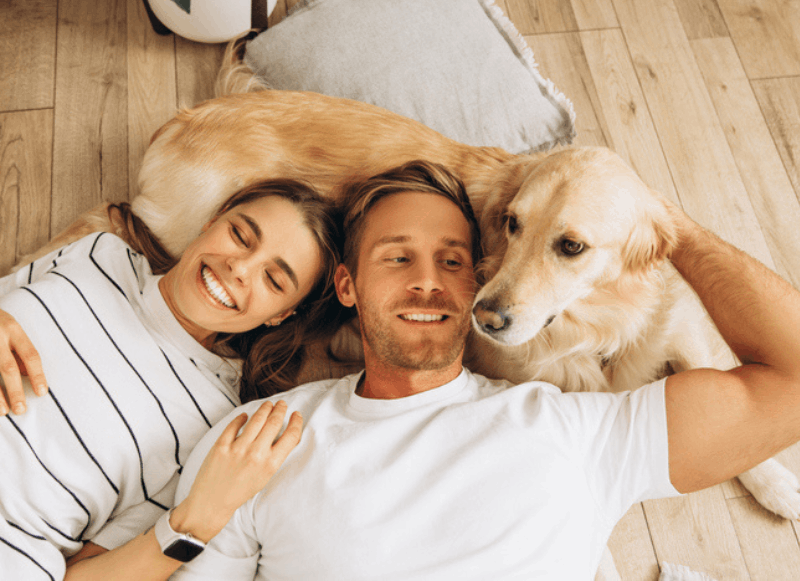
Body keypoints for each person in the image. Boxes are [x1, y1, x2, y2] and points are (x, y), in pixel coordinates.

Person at [167, 159, 800, 580]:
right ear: (347, 285)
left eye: (451, 261)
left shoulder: (575, 429)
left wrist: (664, 224)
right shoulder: (263, 440)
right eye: (396, 258)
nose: (426, 282)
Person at [0, 179, 342, 580]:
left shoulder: (213, 424)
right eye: (240, 235)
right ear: (211, 222)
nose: (239, 267)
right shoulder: (98, 253)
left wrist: (200, 519)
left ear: (281, 315)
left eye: (274, 280)